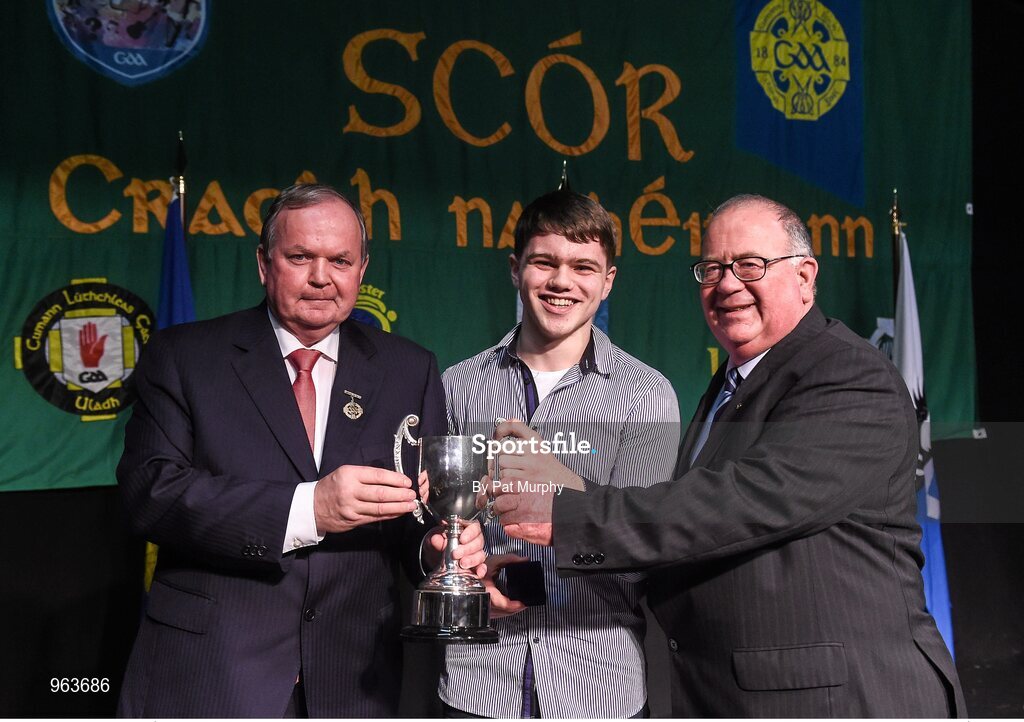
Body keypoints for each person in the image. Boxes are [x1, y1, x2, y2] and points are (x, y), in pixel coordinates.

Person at [489, 194, 966, 717]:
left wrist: (561, 511)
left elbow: (739, 503)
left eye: (750, 265)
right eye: (712, 269)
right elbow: (689, 525)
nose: (728, 284)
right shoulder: (732, 383)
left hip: (836, 699)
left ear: (806, 277)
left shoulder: (851, 377)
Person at [117, 183, 483, 717]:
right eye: (300, 257)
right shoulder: (184, 357)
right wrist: (310, 508)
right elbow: (149, 494)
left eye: (340, 260)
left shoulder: (410, 369)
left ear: (362, 270)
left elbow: (418, 515)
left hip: (354, 680)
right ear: (264, 264)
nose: (321, 277)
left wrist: (437, 550)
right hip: (211, 674)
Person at [439, 190, 680, 718]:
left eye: (583, 266)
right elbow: (434, 530)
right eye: (544, 262)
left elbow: (645, 552)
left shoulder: (646, 394)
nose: (561, 282)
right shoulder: (457, 387)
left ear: (608, 280)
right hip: (477, 680)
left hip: (596, 685)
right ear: (515, 268)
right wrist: (459, 569)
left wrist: (563, 496)